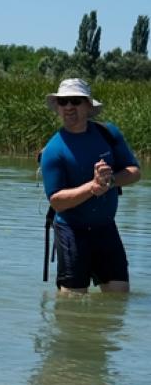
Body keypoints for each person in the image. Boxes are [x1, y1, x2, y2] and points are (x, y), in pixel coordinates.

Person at [39, 78, 141, 294]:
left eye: (75, 101)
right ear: (57, 107)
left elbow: (134, 172)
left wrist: (110, 180)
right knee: (71, 305)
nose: (69, 107)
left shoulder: (108, 134)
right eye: (63, 102)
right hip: (71, 231)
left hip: (106, 227)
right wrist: (93, 187)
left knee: (119, 298)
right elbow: (56, 201)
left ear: (88, 105)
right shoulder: (53, 150)